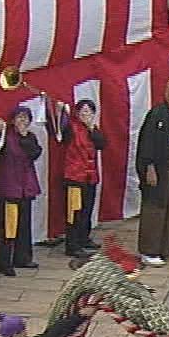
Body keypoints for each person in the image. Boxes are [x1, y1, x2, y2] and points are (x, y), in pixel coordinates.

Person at [137, 79, 169, 266]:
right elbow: (147, 144)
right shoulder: (156, 115)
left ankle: (168, 244)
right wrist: (149, 168)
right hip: (157, 168)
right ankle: (149, 250)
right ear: (166, 93)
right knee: (156, 207)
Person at [0, 106, 43, 274]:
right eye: (19, 117)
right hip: (9, 188)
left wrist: (24, 136)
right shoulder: (5, 136)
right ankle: (5, 263)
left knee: (24, 225)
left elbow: (35, 153)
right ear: (13, 120)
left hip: (25, 188)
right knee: (8, 227)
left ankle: (23, 258)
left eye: (26, 118)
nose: (23, 121)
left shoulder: (30, 137)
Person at [58, 101, 106, 263]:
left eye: (89, 112)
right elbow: (60, 129)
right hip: (74, 178)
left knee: (87, 210)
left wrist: (92, 128)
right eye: (83, 112)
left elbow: (101, 144)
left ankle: (84, 238)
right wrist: (60, 111)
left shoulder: (93, 129)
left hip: (90, 177)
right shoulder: (71, 128)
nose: (86, 115)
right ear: (77, 114)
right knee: (74, 213)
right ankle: (72, 245)